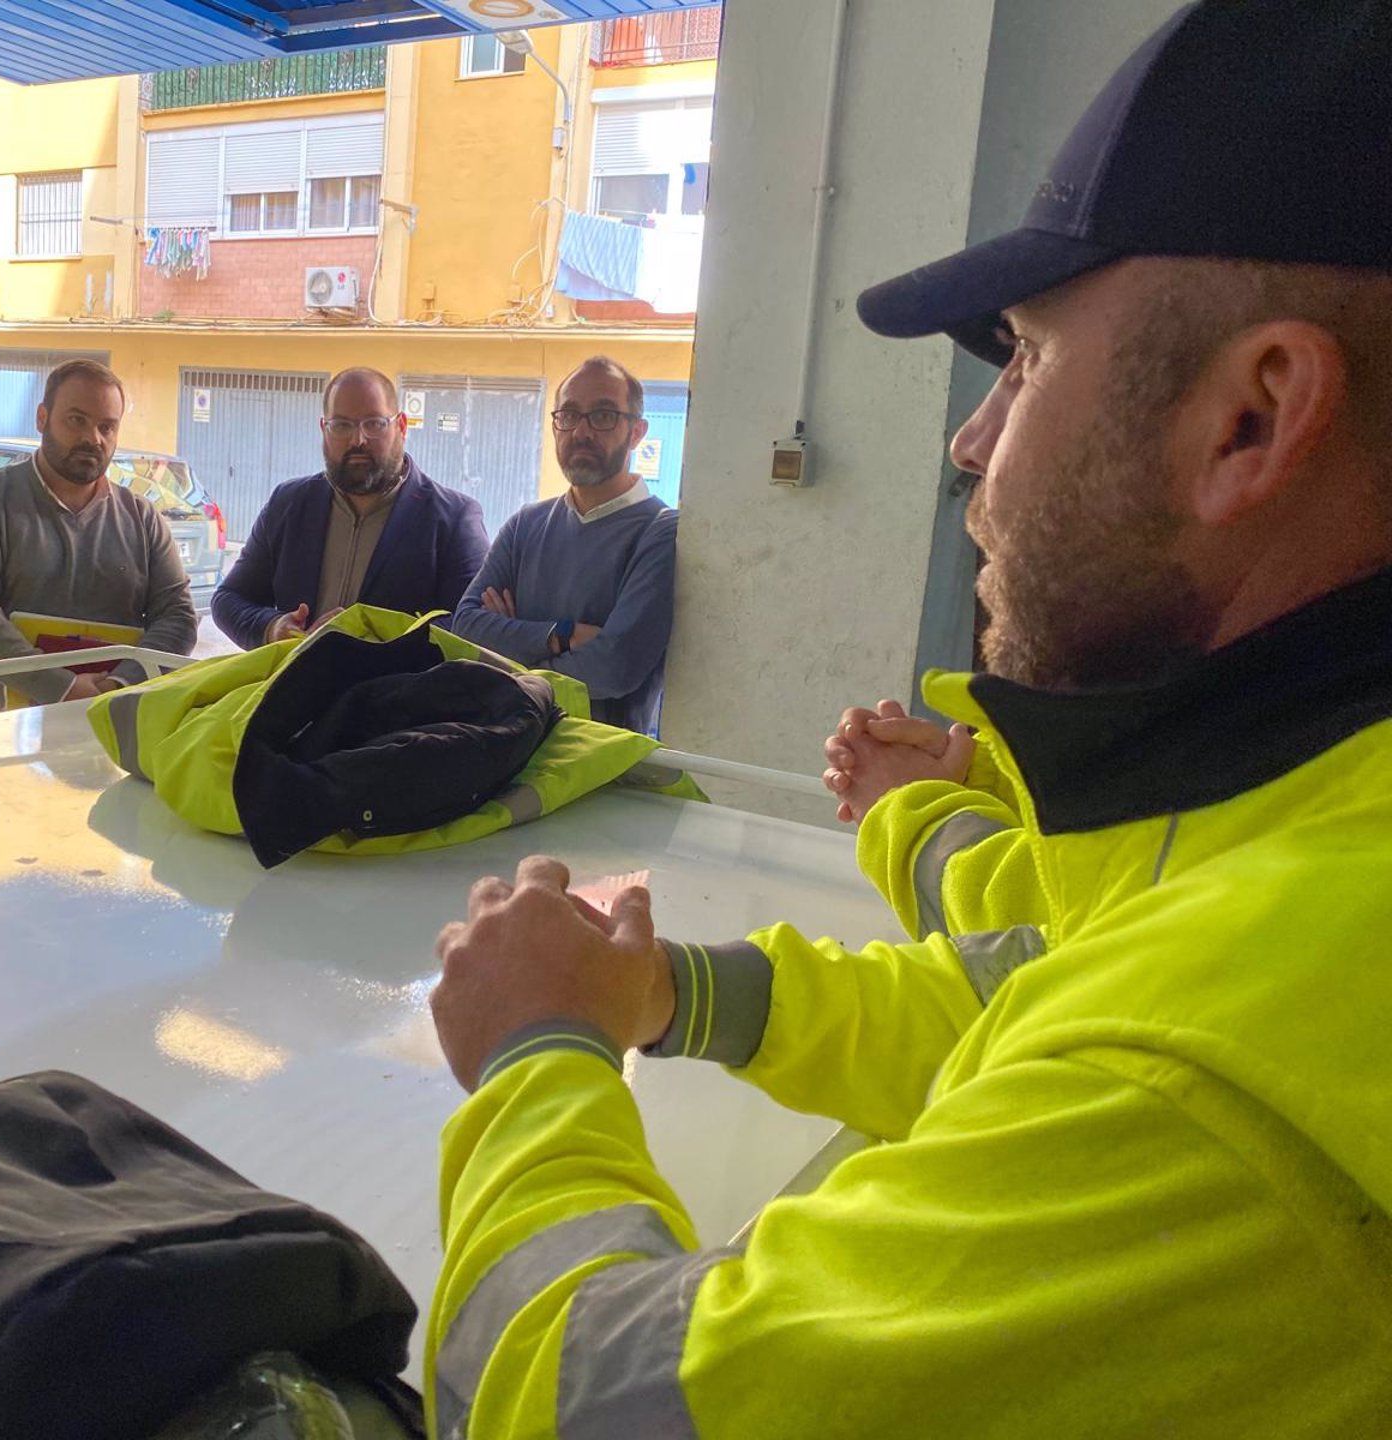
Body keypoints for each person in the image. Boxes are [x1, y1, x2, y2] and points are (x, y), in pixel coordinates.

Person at [423, 2, 1392, 1434]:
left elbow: (588, 1400)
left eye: (1029, 360)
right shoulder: (1302, 825)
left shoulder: (1208, 1091)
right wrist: (674, 991)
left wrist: (534, 1057)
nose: (972, 438)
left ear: (1250, 419)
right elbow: (1023, 990)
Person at [0, 359, 197, 718]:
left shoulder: (143, 518)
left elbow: (178, 618)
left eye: (107, 426)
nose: (93, 438)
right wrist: (60, 687)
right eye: (77, 420)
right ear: (42, 418)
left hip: (106, 729)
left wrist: (119, 686)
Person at [446, 357, 677, 733]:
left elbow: (614, 668)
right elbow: (467, 626)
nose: (581, 432)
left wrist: (508, 657)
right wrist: (560, 635)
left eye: (603, 416)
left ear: (637, 432)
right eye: (568, 415)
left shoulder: (660, 533)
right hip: (503, 751)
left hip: (599, 767)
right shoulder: (526, 524)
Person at [210, 368, 487, 649]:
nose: (358, 440)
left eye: (374, 424)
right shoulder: (289, 504)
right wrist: (273, 628)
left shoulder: (453, 519)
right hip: (295, 687)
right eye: (342, 425)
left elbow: (470, 626)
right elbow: (229, 598)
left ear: (401, 427)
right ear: (324, 429)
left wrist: (374, 642)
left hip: (397, 690)